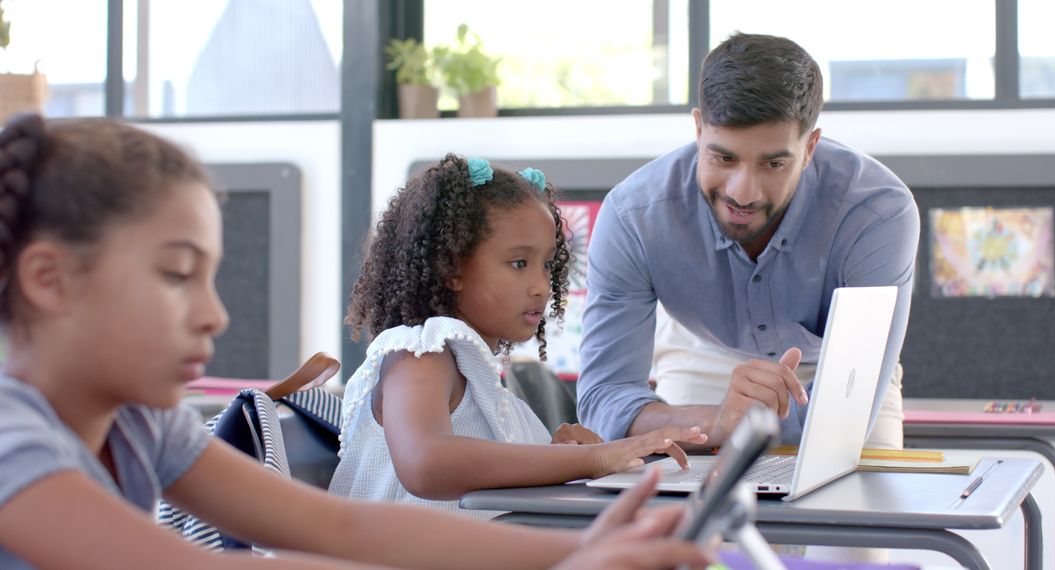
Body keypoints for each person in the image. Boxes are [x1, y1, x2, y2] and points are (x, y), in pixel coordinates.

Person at [0, 113, 713, 569]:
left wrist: (578, 552)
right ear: (49, 279)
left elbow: (343, 527)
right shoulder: (12, 439)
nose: (216, 315)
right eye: (176, 275)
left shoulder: (140, 425)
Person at [577, 31, 919, 452]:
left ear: (810, 147)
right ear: (699, 128)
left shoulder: (878, 213)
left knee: (862, 510)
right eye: (724, 158)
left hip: (834, 371)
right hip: (704, 358)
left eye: (773, 163)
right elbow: (603, 400)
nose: (743, 192)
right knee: (684, 510)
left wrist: (743, 429)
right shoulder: (633, 217)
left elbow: (845, 417)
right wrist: (715, 423)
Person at [330, 154, 708, 518]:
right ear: (451, 269)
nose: (541, 286)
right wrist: (591, 458)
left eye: (546, 265)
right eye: (518, 263)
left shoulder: (477, 378)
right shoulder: (422, 353)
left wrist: (556, 456)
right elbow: (424, 463)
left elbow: (481, 475)